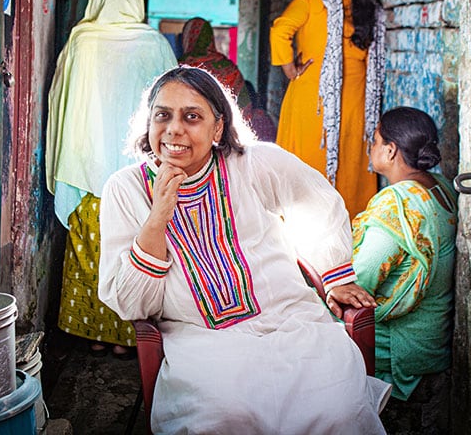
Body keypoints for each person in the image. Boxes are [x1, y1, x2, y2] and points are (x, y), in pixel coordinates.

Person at [98, 66, 391, 434]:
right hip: (201, 340)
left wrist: (334, 276)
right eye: (162, 115)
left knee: (336, 411)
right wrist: (158, 215)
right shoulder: (125, 189)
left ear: (217, 127)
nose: (174, 129)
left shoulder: (255, 163)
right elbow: (132, 303)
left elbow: (317, 200)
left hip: (290, 323)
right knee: (225, 415)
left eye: (192, 116)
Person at [45, 0, 177, 357]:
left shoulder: (81, 42)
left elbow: (59, 101)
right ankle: (128, 338)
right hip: (138, 175)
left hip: (86, 170)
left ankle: (94, 335)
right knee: (134, 253)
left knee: (91, 252)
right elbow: (174, 103)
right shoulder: (154, 45)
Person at [348, 107, 458, 412]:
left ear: (391, 150)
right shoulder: (443, 189)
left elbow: (361, 278)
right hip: (434, 346)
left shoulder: (398, 203)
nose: (370, 148)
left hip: (399, 357)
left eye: (374, 140)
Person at [269, 0, 385, 218]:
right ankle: (349, 235)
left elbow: (280, 29)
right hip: (357, 105)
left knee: (307, 165)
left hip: (315, 101)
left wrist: (289, 68)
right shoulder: (370, 8)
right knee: (350, 166)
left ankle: (304, 236)